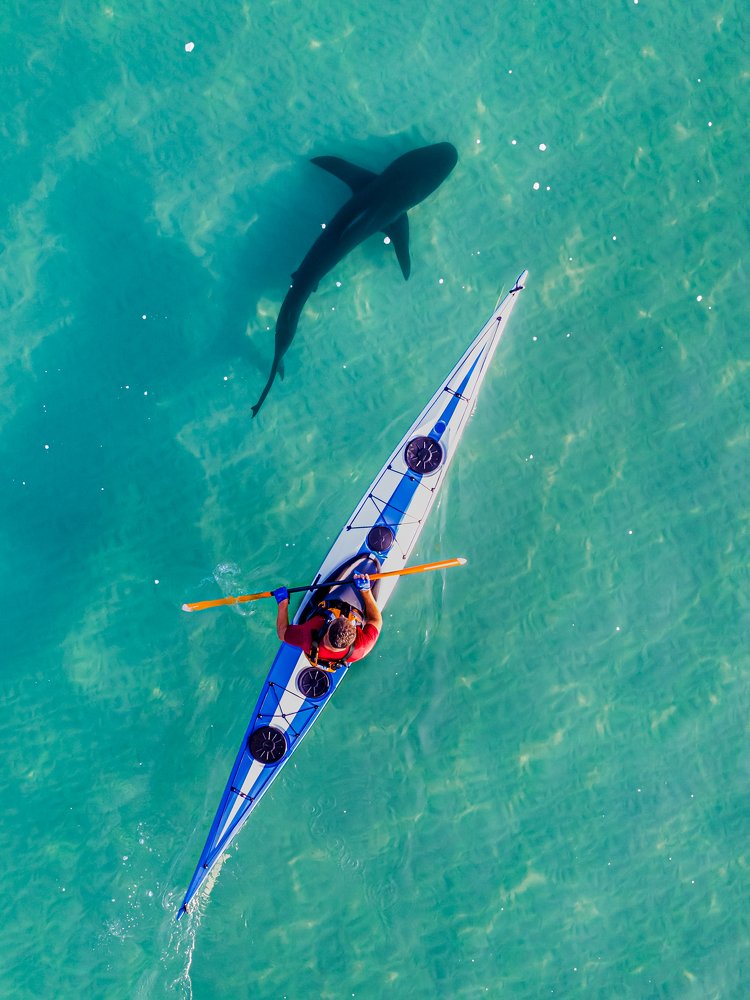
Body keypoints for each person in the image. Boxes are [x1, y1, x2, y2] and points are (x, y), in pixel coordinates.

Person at [272, 571, 382, 667]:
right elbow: (376, 620)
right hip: (354, 607)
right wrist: (366, 591)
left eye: (337, 619)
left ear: (328, 630)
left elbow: (282, 633)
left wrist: (283, 602)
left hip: (326, 608)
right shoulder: (361, 648)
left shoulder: (306, 635)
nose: (343, 616)